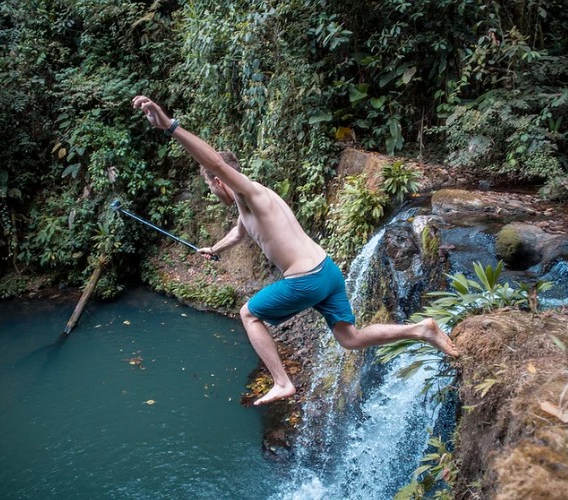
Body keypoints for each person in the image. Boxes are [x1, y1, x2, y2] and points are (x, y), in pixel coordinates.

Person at [132, 95, 459, 406]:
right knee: (350, 338)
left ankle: (282, 382)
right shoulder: (251, 207)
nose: (212, 190)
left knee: (249, 313)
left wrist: (169, 126)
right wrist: (213, 249)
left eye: (210, 185)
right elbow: (239, 232)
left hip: (306, 279)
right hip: (327, 271)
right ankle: (421, 329)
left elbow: (214, 162)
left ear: (219, 181)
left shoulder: (251, 193)